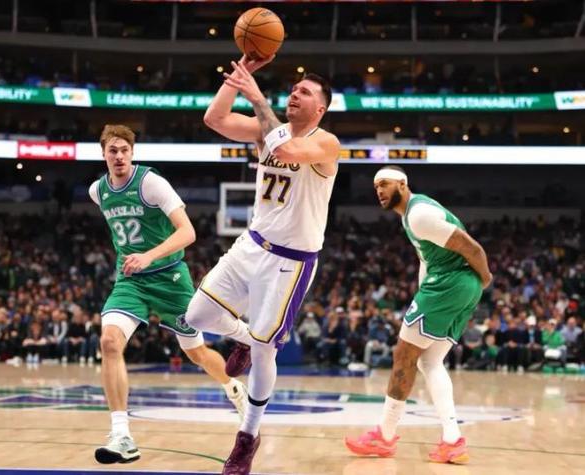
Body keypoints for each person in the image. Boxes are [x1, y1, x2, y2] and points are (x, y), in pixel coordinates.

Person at [184, 56, 340, 474]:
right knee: (196, 316)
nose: (295, 93)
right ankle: (244, 339)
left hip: (291, 262)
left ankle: (247, 436)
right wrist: (241, 75)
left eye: (304, 91)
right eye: (293, 88)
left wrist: (257, 98)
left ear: (320, 108)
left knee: (266, 348)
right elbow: (214, 118)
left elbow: (286, 149)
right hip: (251, 244)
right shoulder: (266, 129)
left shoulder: (327, 143)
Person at [89, 124, 247, 465]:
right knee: (110, 342)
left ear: (133, 153)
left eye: (124, 150)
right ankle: (121, 435)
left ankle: (233, 387)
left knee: (197, 353)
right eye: (113, 150)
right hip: (131, 280)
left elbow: (188, 232)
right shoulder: (97, 191)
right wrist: (136, 259)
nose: (119, 156)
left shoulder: (150, 182)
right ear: (103, 154)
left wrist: (149, 255)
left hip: (170, 277)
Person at [345, 165, 492, 464]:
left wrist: (486, 278)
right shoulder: (412, 213)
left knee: (403, 356)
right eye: (376, 187)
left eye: (385, 184)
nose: (379, 191)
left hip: (450, 283)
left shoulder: (418, 214)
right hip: (460, 286)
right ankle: (452, 440)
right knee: (429, 361)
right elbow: (428, 258)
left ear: (402, 184)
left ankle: (385, 436)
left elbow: (472, 248)